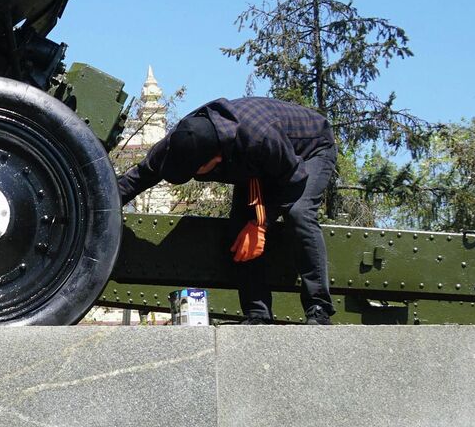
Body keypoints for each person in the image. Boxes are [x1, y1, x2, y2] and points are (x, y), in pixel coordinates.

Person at [117, 96, 338, 324]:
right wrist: (105, 203)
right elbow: (140, 176)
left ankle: (318, 308)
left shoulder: (259, 136)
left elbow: (293, 179)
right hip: (258, 164)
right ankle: (258, 314)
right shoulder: (182, 141)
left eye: (196, 172)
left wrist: (261, 224)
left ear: (216, 158)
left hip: (309, 150)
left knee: (298, 213)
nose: (194, 176)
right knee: (239, 231)